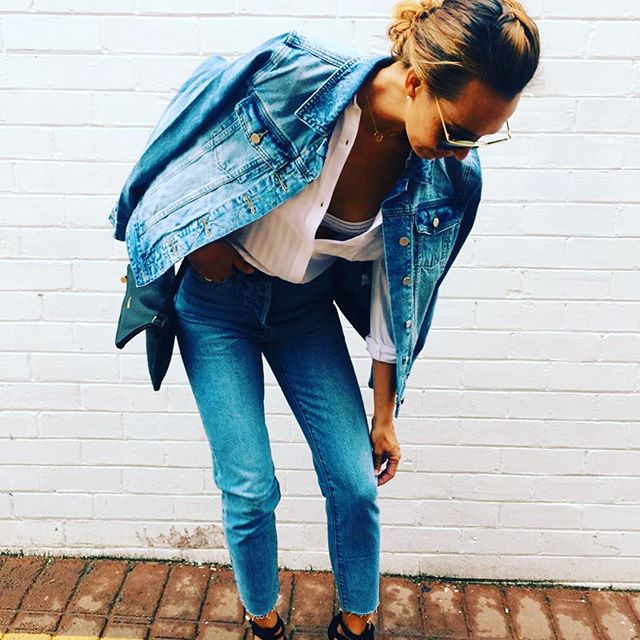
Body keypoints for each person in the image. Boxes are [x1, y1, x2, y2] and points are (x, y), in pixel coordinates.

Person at [109, 1, 540, 638]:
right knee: (250, 485)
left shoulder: (446, 179)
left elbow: (402, 293)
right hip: (216, 311)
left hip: (303, 312)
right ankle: (264, 623)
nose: (462, 150)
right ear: (416, 82)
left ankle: (356, 625)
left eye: (483, 135)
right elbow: (189, 142)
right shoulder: (298, 75)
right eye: (457, 131)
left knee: (355, 482)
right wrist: (202, 244)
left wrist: (385, 414)